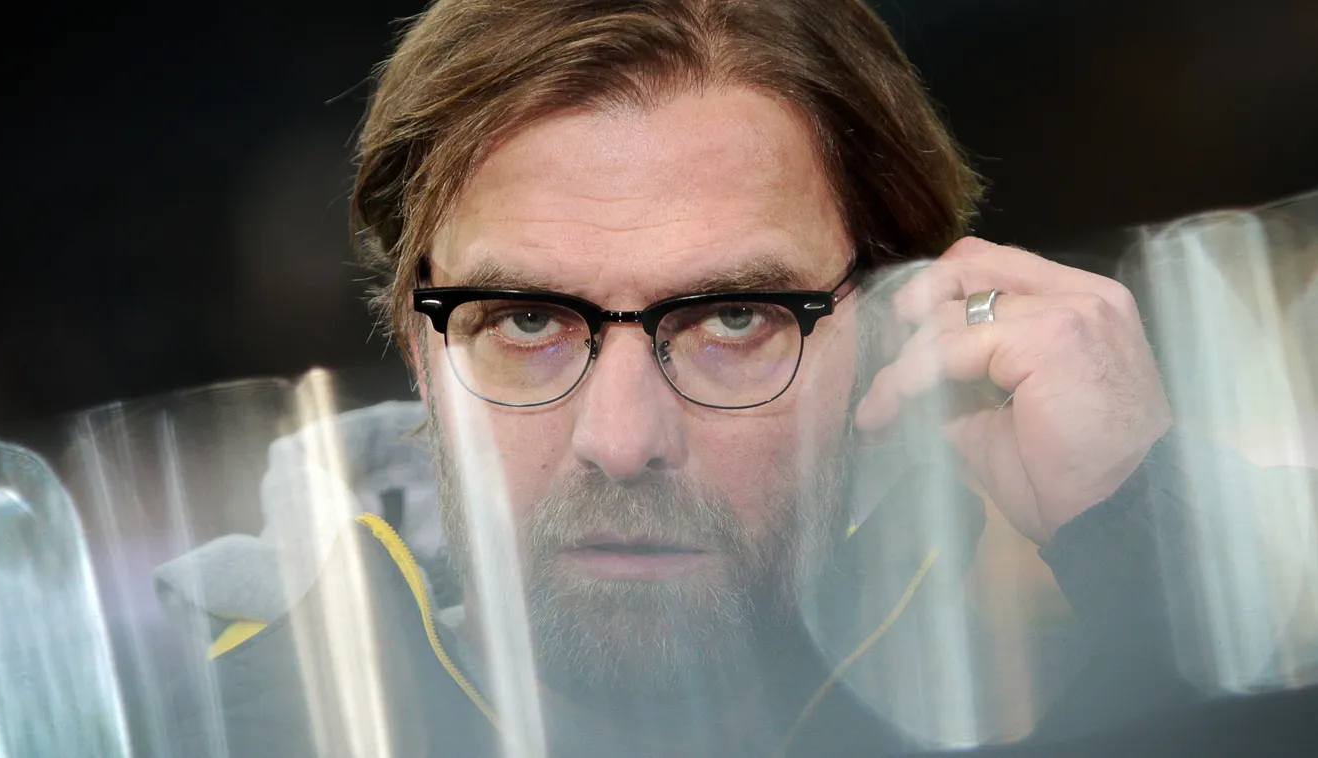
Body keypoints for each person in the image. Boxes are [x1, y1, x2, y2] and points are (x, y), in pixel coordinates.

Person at [177, 1, 1271, 755]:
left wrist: (1149, 535)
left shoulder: (1032, 683)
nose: (620, 436)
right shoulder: (187, 725)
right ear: (421, 351)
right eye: (524, 317)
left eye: (733, 315)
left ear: (891, 332)